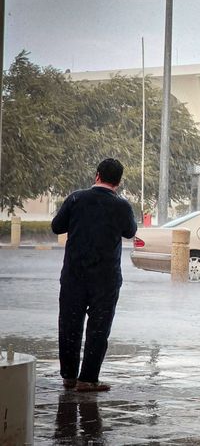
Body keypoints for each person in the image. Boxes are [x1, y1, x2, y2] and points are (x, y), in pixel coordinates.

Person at [52, 158, 137, 392]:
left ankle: (68, 376)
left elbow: (56, 226)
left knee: (69, 324)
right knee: (99, 327)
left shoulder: (76, 198)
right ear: (118, 182)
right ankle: (88, 379)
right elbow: (130, 232)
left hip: (73, 275)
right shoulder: (122, 206)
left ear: (97, 175)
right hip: (106, 278)